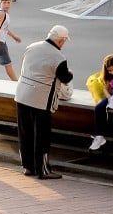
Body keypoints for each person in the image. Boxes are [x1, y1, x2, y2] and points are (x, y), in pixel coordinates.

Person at [14, 26, 73, 179]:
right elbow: (65, 78)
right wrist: (70, 72)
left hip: (22, 94)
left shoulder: (31, 47)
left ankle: (28, 167)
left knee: (25, 132)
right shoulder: (59, 57)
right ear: (61, 40)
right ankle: (43, 170)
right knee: (41, 135)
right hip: (40, 98)